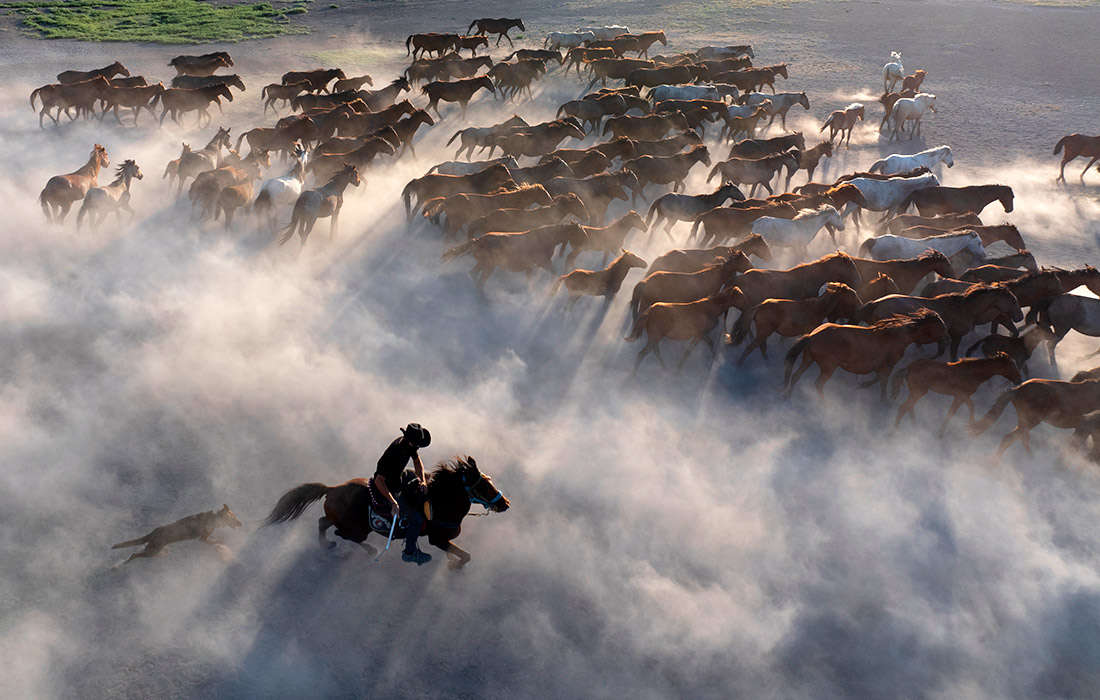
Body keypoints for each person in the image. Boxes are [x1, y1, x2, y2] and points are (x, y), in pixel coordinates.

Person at [374, 423, 432, 564]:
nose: (417, 447)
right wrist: (393, 502)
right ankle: (410, 552)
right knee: (416, 519)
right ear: (410, 441)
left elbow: (418, 463)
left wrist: (423, 481)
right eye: (416, 445)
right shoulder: (394, 452)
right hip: (388, 487)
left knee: (429, 477)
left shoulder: (410, 445)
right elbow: (379, 480)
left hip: (399, 476)